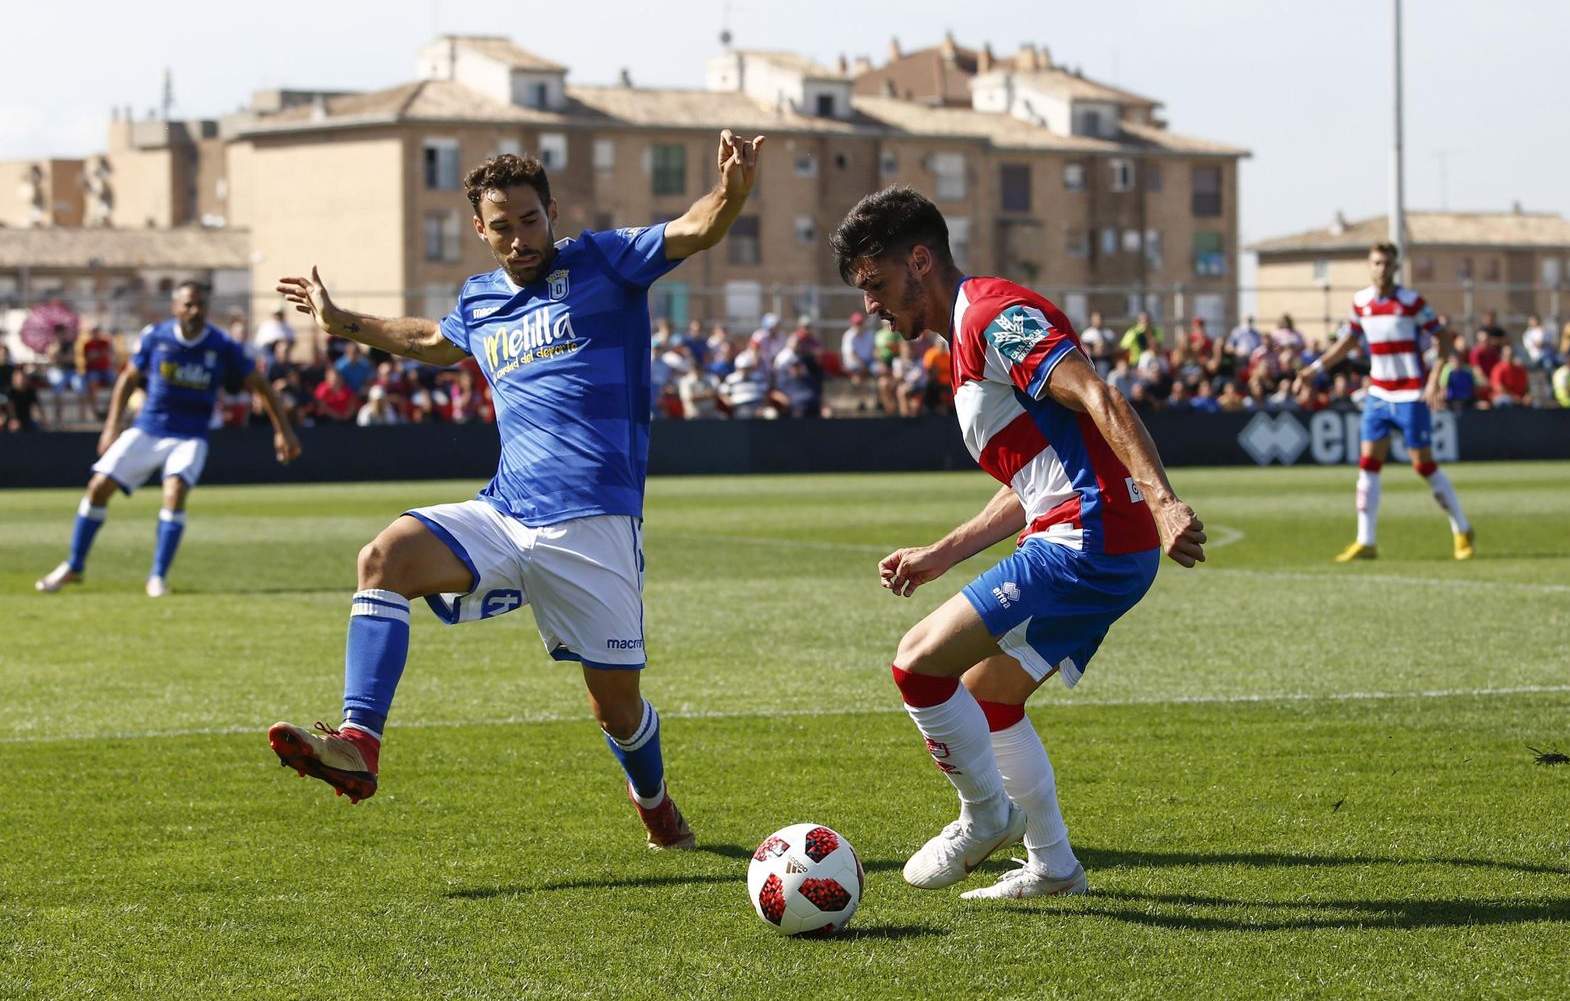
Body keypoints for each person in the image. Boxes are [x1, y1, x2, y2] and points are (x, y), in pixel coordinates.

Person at [265, 130, 765, 853]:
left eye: (530, 221)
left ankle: (655, 805)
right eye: (503, 227)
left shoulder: (604, 261)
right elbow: (429, 342)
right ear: (481, 230)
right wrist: (341, 320)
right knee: (385, 558)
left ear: (551, 213)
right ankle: (358, 743)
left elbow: (695, 228)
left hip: (594, 526)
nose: (520, 238)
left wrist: (732, 194)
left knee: (615, 709)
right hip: (503, 512)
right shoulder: (478, 300)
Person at [829, 186, 1206, 900]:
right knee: (988, 698)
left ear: (919, 261)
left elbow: (1099, 396)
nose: (871, 306)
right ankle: (1056, 869)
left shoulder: (994, 317)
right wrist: (942, 552)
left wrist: (1163, 500)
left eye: (876, 285)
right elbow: (1034, 478)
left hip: (1088, 538)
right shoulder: (967, 337)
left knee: (917, 665)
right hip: (1094, 536)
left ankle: (982, 819)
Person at [34, 282, 302, 597]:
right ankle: (74, 565)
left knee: (174, 489)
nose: (194, 310)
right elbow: (128, 380)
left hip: (191, 435)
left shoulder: (222, 345)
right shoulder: (156, 337)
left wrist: (284, 431)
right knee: (98, 487)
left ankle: (157, 577)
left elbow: (261, 385)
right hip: (148, 428)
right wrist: (111, 426)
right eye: (188, 304)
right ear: (175, 307)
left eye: (200, 304)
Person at [1294, 242, 1474, 561]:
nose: (1381, 268)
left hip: (1410, 395)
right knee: (1368, 467)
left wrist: (1434, 379)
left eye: (1387, 263)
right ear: (1369, 265)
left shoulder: (1411, 302)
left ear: (1395, 267)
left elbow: (1444, 338)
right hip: (1378, 395)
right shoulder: (1361, 302)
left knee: (1424, 465)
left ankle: (1461, 527)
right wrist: (1315, 368)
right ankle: (1366, 540)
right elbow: (1349, 340)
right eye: (1376, 263)